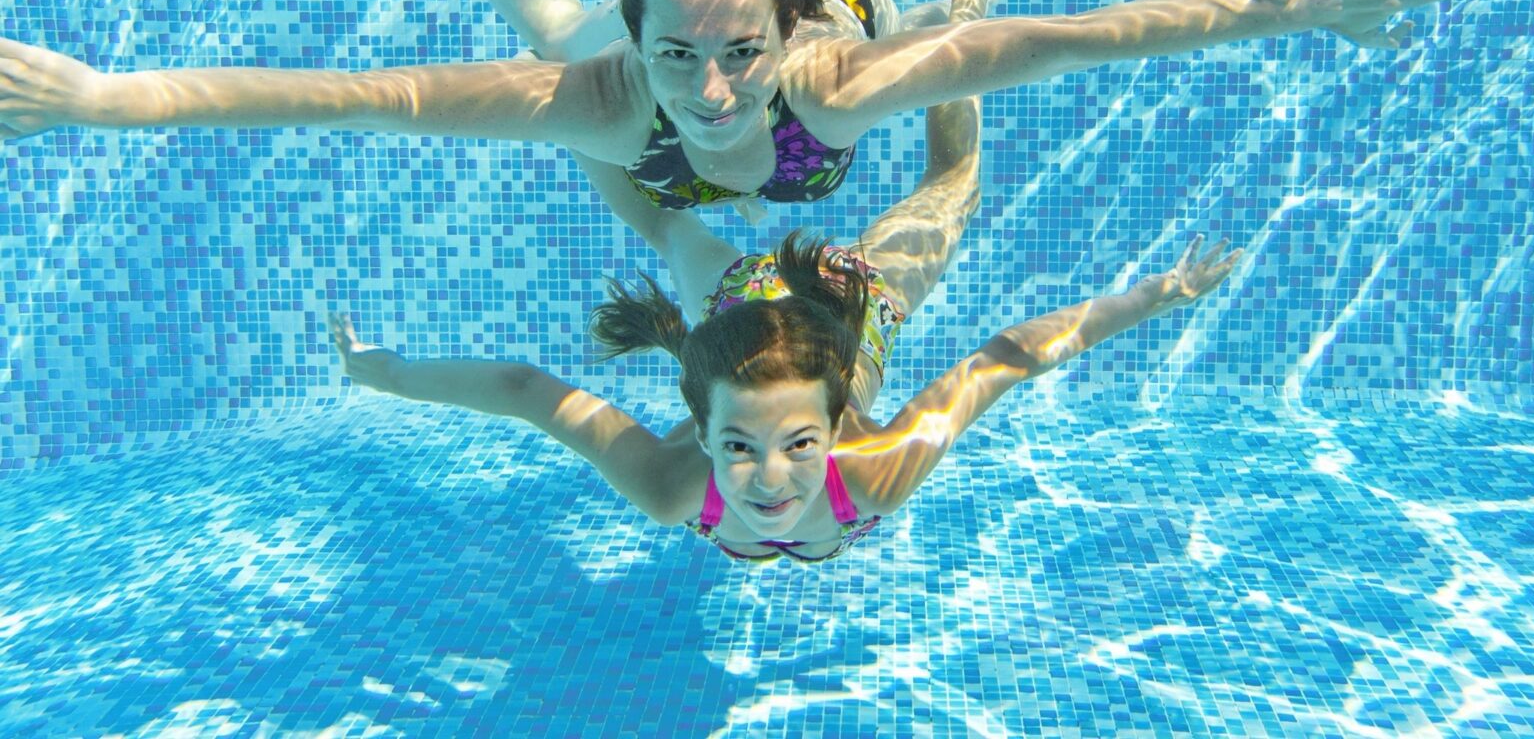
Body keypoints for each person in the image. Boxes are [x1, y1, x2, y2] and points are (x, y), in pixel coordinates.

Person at [0, 0, 1488, 301]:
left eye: (734, 55)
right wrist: (102, 93)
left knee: (936, 65)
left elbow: (1086, 37)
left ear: (776, 34)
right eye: (680, 58)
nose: (713, 91)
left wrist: (1289, 4)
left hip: (833, 5)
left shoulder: (822, 82)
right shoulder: (613, 90)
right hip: (621, 94)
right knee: (557, 29)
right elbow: (345, 96)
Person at [328, 78, 1241, 562]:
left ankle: (957, 31)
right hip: (774, 307)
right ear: (702, 419)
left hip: (837, 310)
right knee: (662, 217)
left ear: (838, 416)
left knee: (946, 189)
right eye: (738, 446)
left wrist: (1165, 291)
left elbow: (1007, 357)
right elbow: (1000, 360)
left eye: (801, 444)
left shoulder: (701, 482)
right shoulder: (702, 479)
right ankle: (582, 94)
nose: (767, 481)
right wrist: (380, 375)